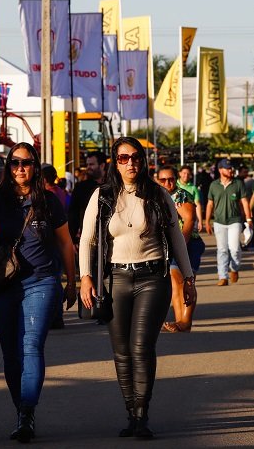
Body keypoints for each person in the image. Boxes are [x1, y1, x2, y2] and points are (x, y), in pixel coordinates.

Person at [0, 142, 77, 443]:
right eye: (14, 163)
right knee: (11, 352)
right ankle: (22, 410)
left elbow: (65, 244)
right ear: (8, 167)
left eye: (26, 162)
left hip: (41, 281)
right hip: (4, 284)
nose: (20, 168)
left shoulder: (49, 201)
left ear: (35, 167)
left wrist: (72, 281)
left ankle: (27, 410)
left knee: (31, 344)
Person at [79, 137, 194, 439]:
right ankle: (130, 411)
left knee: (141, 347)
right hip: (116, 279)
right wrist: (85, 277)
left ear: (143, 161)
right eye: (123, 157)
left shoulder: (157, 195)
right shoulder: (102, 196)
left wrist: (189, 277)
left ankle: (142, 413)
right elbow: (87, 240)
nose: (130, 163)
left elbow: (177, 237)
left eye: (135, 157)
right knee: (121, 352)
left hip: (152, 279)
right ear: (114, 163)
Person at [156, 165, 205, 333]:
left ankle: (185, 322)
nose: (167, 182)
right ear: (157, 180)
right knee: (175, 284)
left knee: (184, 282)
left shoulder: (180, 195)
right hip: (170, 246)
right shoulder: (159, 197)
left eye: (171, 179)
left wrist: (180, 245)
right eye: (163, 180)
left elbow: (190, 219)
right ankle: (180, 321)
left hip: (188, 244)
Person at [205, 159, 252, 286]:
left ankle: (234, 269)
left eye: (231, 168)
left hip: (234, 221)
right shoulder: (214, 185)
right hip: (219, 222)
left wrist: (249, 218)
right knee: (222, 250)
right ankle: (223, 276)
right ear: (220, 170)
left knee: (235, 249)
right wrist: (207, 221)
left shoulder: (238, 184)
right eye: (227, 168)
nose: (231, 170)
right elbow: (210, 204)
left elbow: (244, 202)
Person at [68, 150, 106, 244]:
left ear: (102, 165)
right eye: (87, 164)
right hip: (88, 239)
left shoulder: (112, 186)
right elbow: (73, 215)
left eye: (92, 164)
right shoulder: (80, 188)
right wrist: (72, 240)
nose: (88, 168)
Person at [178, 164, 204, 230]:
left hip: (189, 219)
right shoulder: (174, 185)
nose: (186, 175)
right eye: (184, 173)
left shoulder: (193, 188)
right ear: (180, 173)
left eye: (188, 174)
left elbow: (197, 205)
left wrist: (200, 221)